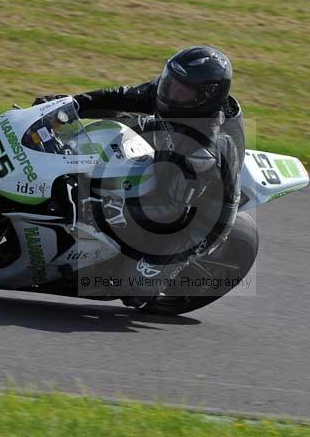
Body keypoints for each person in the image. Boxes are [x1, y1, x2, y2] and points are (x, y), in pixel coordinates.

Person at [35, 46, 245, 304]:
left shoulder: (203, 151)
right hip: (165, 158)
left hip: (196, 214)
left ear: (204, 97)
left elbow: (168, 211)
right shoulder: (176, 96)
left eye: (181, 90)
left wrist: (101, 209)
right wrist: (72, 105)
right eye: (170, 82)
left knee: (132, 290)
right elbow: (122, 97)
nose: (169, 92)